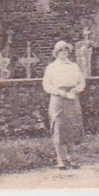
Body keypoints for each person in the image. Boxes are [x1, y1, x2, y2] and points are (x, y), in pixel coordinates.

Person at [42, 39, 87, 169]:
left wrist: (75, 90)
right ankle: (60, 159)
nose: (63, 52)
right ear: (56, 53)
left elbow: (81, 82)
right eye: (61, 50)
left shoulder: (74, 66)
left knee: (72, 127)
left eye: (66, 50)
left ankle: (71, 157)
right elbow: (46, 85)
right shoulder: (52, 67)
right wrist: (61, 93)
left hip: (72, 98)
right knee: (59, 127)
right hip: (58, 99)